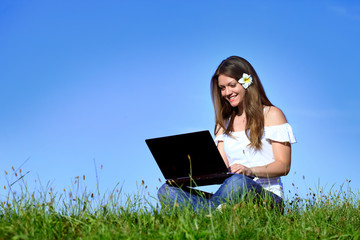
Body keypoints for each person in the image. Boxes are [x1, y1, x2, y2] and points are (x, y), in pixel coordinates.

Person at [157, 56, 296, 212]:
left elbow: (283, 165)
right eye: (222, 88)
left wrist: (250, 171)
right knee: (166, 191)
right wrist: (186, 177)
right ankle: (216, 214)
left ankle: (205, 215)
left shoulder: (271, 114)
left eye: (232, 85)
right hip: (228, 195)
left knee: (238, 181)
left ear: (247, 83)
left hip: (266, 197)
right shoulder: (223, 124)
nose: (227, 92)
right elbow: (220, 171)